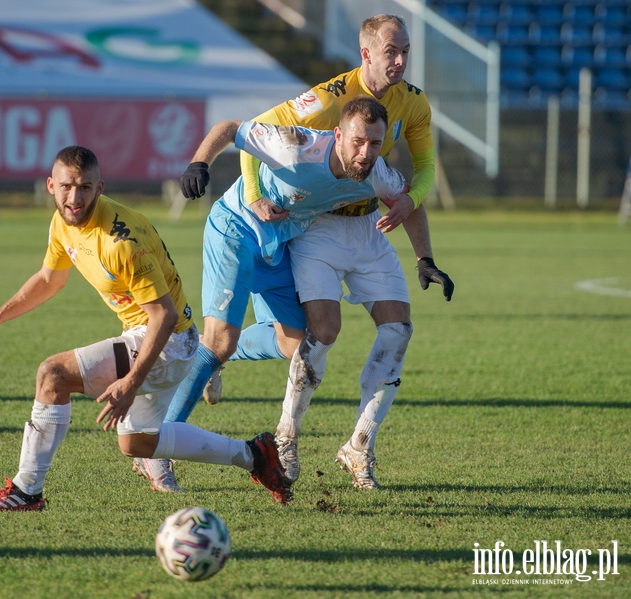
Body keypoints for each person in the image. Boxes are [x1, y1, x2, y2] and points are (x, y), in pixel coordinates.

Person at [187, 14, 456, 489]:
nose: (399, 60)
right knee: (309, 334)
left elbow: (421, 174)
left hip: (353, 228)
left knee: (389, 332)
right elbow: (250, 133)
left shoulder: (409, 107)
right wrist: (247, 192)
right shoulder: (326, 103)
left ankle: (359, 446)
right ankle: (264, 437)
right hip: (300, 227)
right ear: (366, 54)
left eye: (405, 52)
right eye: (390, 51)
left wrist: (424, 256)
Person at [0, 145, 292, 511]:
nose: (74, 197)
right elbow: (50, 279)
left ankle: (26, 490)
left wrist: (130, 383)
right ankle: (254, 455)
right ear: (50, 185)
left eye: (84, 188)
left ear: (100, 188)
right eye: (66, 187)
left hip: (167, 341)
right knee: (137, 443)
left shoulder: (122, 241)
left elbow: (162, 316)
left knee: (53, 375)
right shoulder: (62, 222)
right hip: (162, 337)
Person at [133, 97, 407, 493]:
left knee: (294, 342)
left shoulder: (375, 172)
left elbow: (409, 198)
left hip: (279, 243)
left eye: (375, 144)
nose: (365, 153)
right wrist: (199, 164)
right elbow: (230, 128)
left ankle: (204, 358)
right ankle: (156, 451)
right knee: (221, 339)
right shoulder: (297, 145)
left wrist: (424, 254)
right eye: (358, 141)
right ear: (338, 135)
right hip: (235, 231)